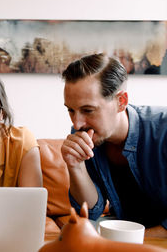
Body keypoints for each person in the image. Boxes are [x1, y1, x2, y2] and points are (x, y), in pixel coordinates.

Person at [60, 53, 167, 238]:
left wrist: (121, 242)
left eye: (88, 110)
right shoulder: (85, 135)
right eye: (71, 110)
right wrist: (76, 167)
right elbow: (91, 211)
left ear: (121, 102)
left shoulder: (163, 130)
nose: (77, 124)